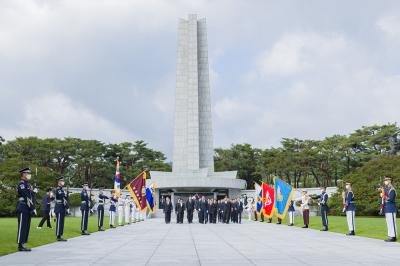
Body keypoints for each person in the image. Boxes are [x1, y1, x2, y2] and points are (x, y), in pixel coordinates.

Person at [16, 167, 36, 252]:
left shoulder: (28, 185)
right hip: (23, 207)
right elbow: (26, 197)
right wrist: (33, 208)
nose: (29, 175)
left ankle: (23, 243)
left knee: (26, 226)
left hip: (27, 208)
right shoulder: (22, 184)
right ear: (23, 174)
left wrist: (34, 192)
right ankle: (20, 245)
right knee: (22, 226)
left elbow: (31, 196)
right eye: (28, 173)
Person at [382, 176, 397, 242]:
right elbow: (384, 195)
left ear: (390, 181)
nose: (385, 181)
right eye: (385, 180)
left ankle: (393, 236)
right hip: (387, 208)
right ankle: (390, 235)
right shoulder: (386, 189)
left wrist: (384, 196)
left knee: (392, 223)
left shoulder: (392, 189)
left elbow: (390, 199)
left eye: (386, 180)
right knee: (388, 223)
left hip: (391, 208)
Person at [55, 176, 68, 241]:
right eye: (62, 181)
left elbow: (66, 198)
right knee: (59, 222)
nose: (63, 182)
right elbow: (61, 196)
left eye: (63, 181)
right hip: (59, 207)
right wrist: (65, 194)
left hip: (62, 207)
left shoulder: (62, 190)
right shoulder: (58, 189)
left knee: (62, 222)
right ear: (59, 182)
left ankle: (60, 235)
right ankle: (58, 235)